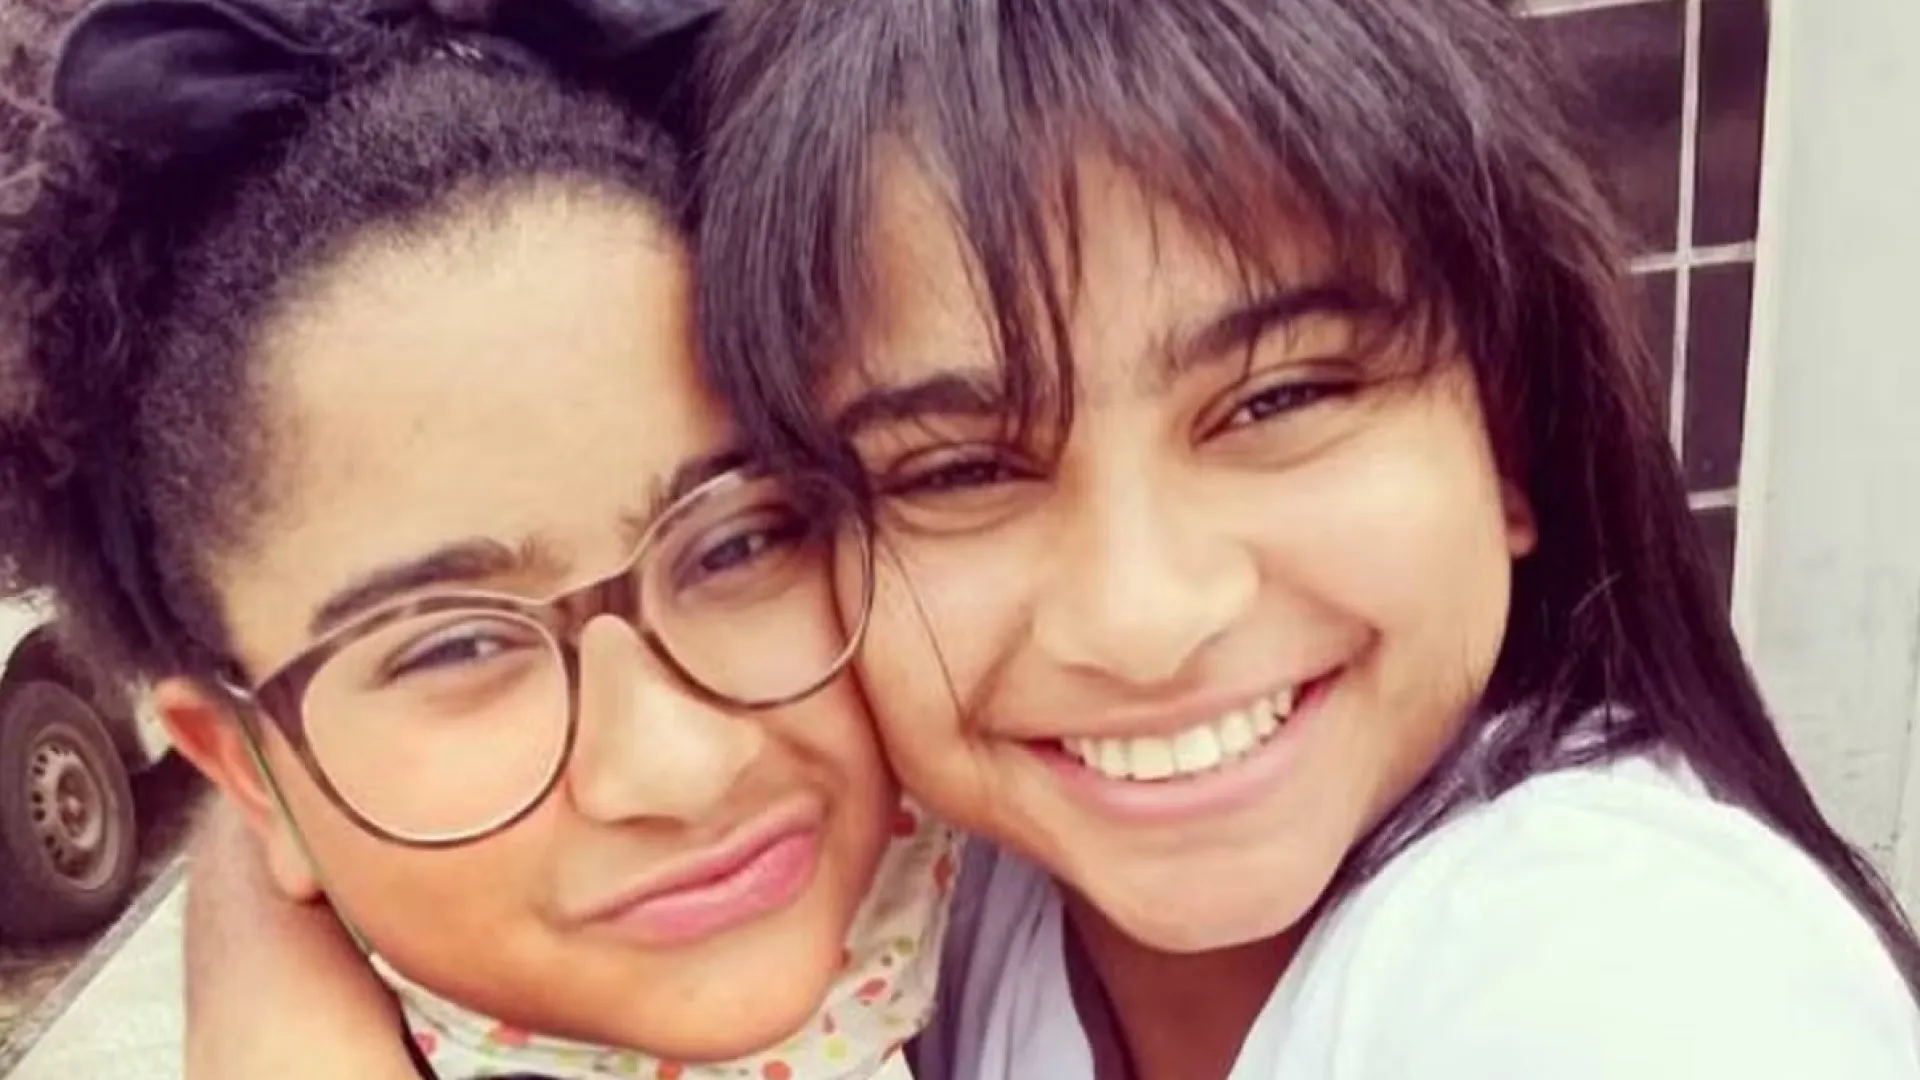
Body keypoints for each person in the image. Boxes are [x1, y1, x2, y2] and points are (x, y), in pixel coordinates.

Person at [181, 0, 1920, 1078]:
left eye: (1280, 397)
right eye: (956, 471)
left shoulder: (1616, 974)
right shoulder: (981, 887)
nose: (1144, 617)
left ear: (1508, 432)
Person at [0, 2, 951, 1078]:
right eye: (456, 646)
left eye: (737, 545)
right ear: (252, 774)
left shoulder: (1029, 798)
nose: (681, 767)